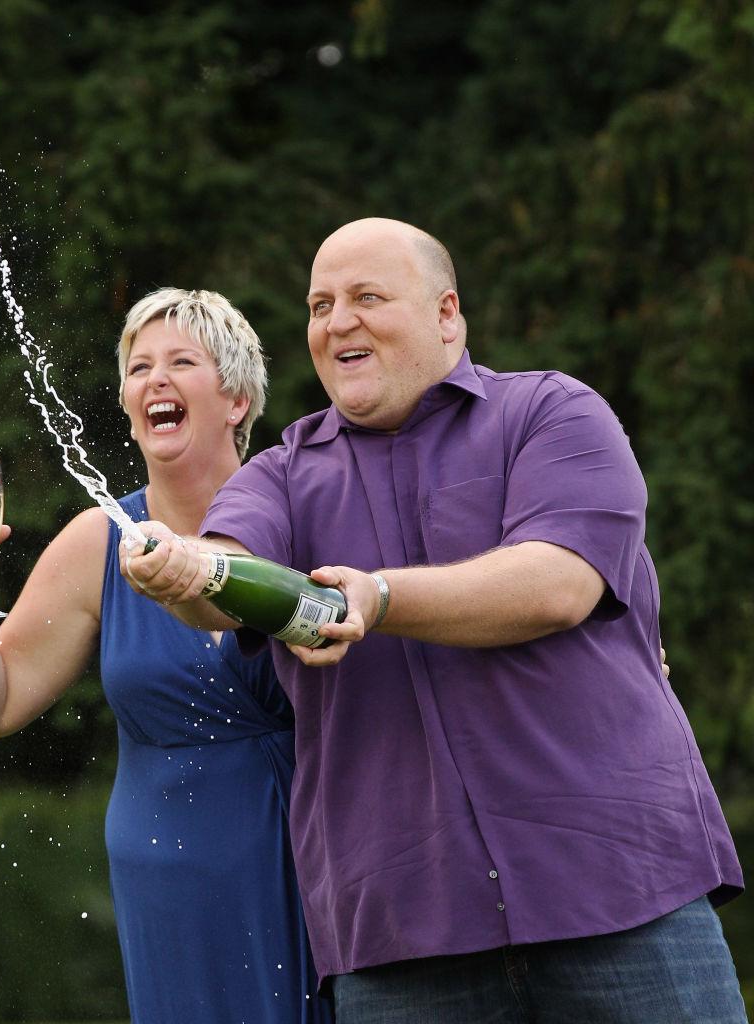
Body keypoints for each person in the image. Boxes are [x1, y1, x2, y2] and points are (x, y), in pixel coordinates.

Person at [120, 219, 746, 1023]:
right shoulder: (278, 476)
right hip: (403, 940)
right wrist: (184, 570)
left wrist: (379, 598)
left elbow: (559, 582)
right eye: (319, 305)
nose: (335, 321)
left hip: (620, 895)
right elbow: (221, 575)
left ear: (447, 314)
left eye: (365, 297)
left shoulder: (553, 414)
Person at [0, 288, 331, 1024]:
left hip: (309, 857)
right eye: (140, 367)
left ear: (237, 400)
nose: (156, 380)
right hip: (165, 875)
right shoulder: (98, 539)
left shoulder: (309, 512)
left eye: (182, 361)